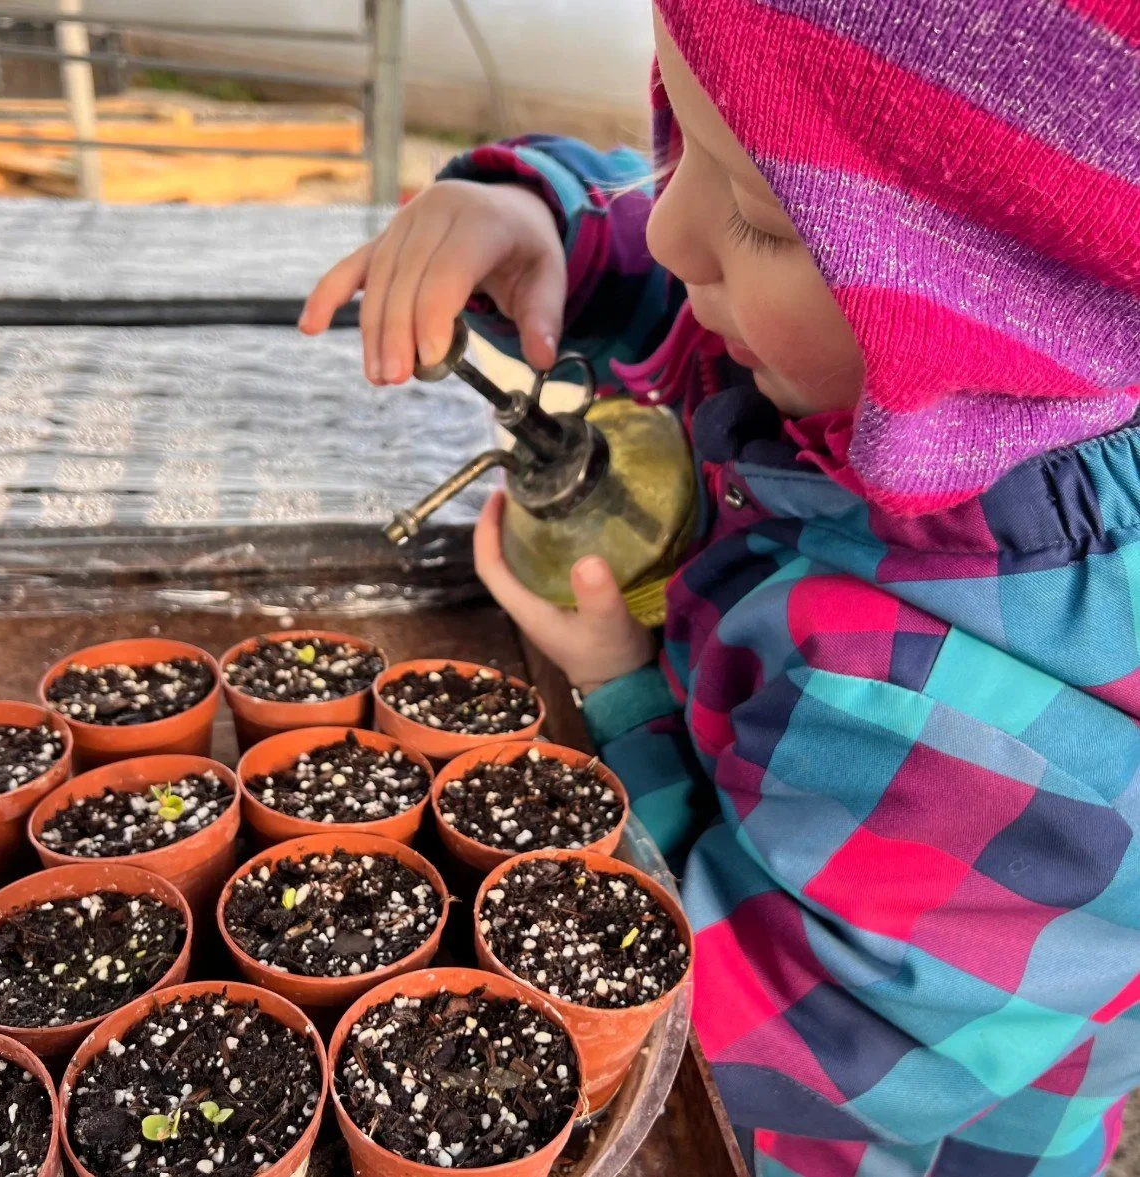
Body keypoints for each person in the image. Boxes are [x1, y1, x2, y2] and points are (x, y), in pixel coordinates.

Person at [301, 1, 1140, 1172]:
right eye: (679, 138)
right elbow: (667, 256)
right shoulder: (852, 355)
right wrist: (540, 218)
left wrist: (619, 693)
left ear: (978, 324)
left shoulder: (967, 714)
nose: (674, 232)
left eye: (755, 214)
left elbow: (787, 1039)